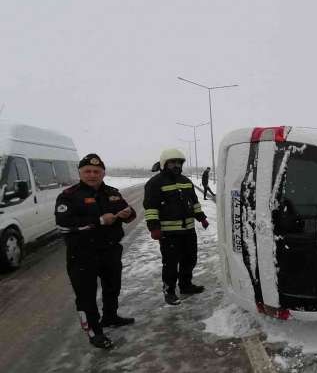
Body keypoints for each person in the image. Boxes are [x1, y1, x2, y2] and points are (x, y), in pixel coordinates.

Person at [55, 153, 136, 349]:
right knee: (86, 295)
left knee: (112, 286)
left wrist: (128, 213)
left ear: (103, 173)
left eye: (96, 171)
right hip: (82, 254)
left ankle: (110, 316)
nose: (92, 174)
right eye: (88, 171)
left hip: (110, 250)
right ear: (80, 173)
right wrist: (98, 221)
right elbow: (63, 225)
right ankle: (94, 332)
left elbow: (130, 214)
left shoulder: (112, 193)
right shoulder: (69, 196)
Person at [143, 149, 209, 306]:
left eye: (179, 162)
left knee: (190, 260)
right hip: (169, 233)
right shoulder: (155, 183)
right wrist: (154, 227)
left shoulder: (186, 181)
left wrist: (202, 218)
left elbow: (194, 203)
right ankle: (169, 291)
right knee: (171, 264)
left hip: (189, 231)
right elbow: (151, 208)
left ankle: (186, 286)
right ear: (164, 163)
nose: (176, 165)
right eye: (172, 162)